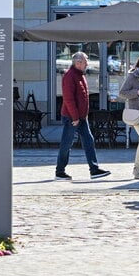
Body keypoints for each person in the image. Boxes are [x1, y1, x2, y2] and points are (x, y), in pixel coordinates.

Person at [55, 52, 111, 181]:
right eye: (86, 61)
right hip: (72, 117)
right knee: (66, 144)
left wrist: (81, 116)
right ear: (78, 62)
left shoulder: (80, 75)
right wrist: (75, 117)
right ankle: (60, 171)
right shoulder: (70, 76)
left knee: (88, 141)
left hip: (81, 117)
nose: (87, 63)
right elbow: (69, 99)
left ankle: (94, 169)